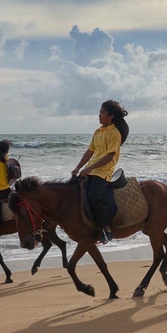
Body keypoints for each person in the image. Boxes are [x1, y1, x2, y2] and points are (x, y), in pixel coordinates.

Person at [71, 100, 129, 244]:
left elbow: (109, 156)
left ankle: (106, 228)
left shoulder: (115, 133)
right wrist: (78, 167)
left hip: (104, 171)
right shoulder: (98, 131)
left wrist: (89, 168)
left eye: (102, 113)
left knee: (95, 196)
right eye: (99, 112)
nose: (99, 115)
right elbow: (90, 151)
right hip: (91, 169)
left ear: (111, 116)